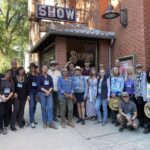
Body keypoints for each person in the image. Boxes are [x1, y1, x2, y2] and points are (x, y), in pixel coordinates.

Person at [0, 70, 14, 135]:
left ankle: (5, 127)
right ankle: (0, 127)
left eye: (9, 74)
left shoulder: (11, 81)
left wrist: (7, 98)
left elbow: (12, 91)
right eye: (7, 73)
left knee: (7, 113)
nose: (8, 74)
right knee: (1, 113)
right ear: (5, 73)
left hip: (8, 99)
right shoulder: (1, 80)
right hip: (1, 98)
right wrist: (2, 97)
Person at [27, 63, 38, 128]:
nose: (32, 68)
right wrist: (28, 94)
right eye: (31, 67)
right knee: (31, 106)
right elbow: (27, 85)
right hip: (30, 92)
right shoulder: (28, 75)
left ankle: (32, 119)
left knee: (35, 106)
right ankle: (31, 121)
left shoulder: (37, 75)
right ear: (30, 68)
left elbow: (38, 84)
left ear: (35, 68)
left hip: (36, 92)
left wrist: (37, 93)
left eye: (33, 67)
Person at [143, 69, 150, 134]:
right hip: (148, 100)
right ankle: (147, 127)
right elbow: (147, 92)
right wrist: (148, 100)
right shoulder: (147, 82)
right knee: (147, 114)